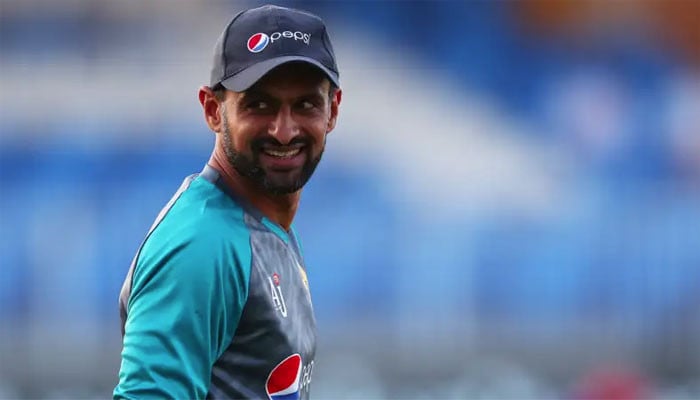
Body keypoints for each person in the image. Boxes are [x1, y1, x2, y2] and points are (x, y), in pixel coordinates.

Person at [113, 4, 341, 399]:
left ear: (332, 110)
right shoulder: (202, 245)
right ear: (212, 110)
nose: (284, 131)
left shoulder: (260, 224)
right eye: (259, 105)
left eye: (305, 105)